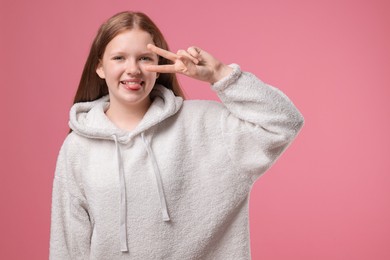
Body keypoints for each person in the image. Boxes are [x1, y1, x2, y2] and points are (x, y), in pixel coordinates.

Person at [50, 11, 304, 260]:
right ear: (100, 67)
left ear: (160, 67)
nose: (133, 69)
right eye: (119, 58)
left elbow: (284, 121)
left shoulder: (205, 125)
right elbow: (68, 245)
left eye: (145, 58)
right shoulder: (78, 147)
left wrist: (219, 74)